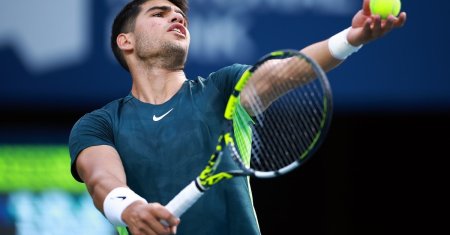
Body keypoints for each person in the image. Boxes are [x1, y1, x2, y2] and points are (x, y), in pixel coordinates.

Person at [68, 0, 407, 234]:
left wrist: (351, 38)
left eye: (180, 15)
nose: (177, 18)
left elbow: (285, 71)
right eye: (159, 13)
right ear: (125, 41)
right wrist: (131, 210)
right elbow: (102, 180)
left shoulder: (223, 89)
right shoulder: (100, 124)